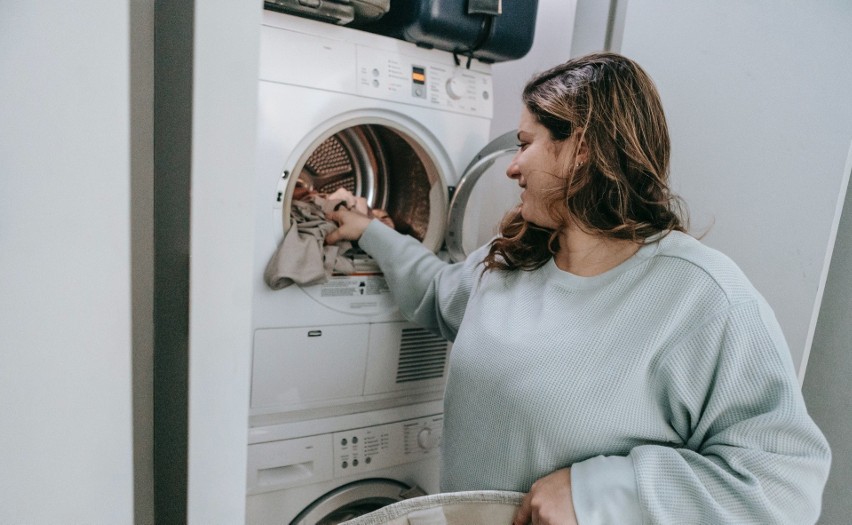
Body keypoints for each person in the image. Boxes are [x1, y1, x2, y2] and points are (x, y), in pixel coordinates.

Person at [325, 53, 831, 524]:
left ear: (582, 149)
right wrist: (370, 231)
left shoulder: (702, 298)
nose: (512, 166)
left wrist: (599, 491)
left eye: (525, 144)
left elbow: (783, 485)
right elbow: (435, 291)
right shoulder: (513, 259)